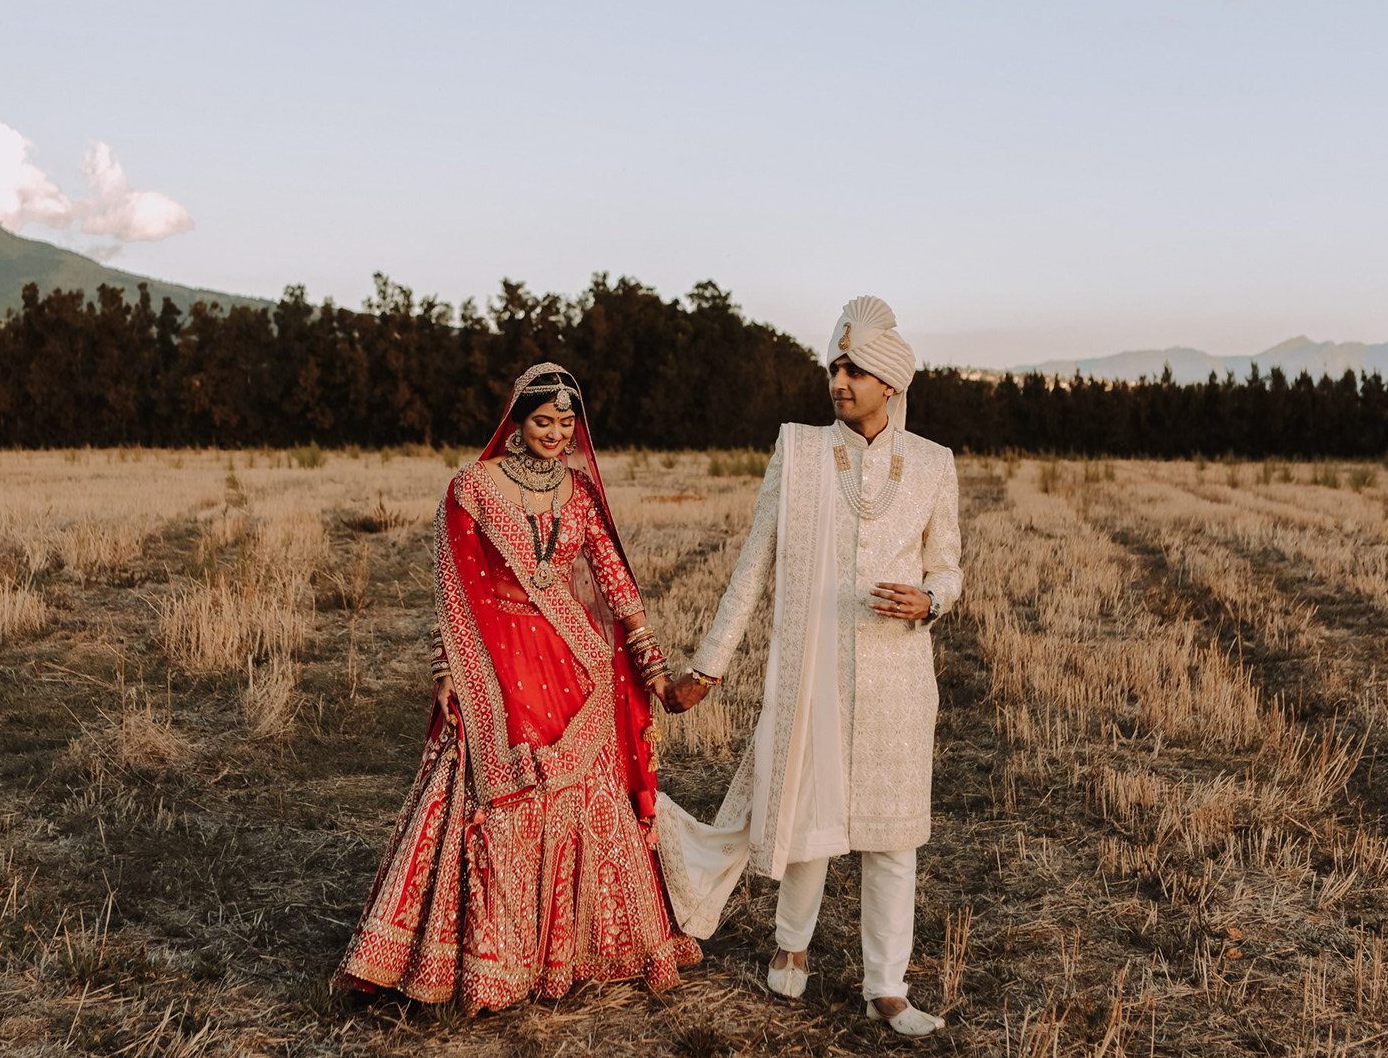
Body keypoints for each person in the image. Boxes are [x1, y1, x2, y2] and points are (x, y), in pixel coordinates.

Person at [335, 364, 701, 1012]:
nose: (556, 434)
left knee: (582, 796)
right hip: (495, 660)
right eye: (543, 421)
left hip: (571, 662)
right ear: (516, 418)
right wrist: (448, 669)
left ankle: (576, 951)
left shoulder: (579, 492)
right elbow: (452, 585)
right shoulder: (473, 488)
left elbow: (613, 578)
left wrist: (651, 662)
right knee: (493, 792)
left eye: (567, 423)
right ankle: (490, 961)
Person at [656, 296, 963, 1036]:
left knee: (893, 839)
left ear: (890, 382)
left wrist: (930, 600)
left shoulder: (932, 463)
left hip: (896, 678)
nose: (839, 381)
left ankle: (887, 987)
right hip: (814, 668)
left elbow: (949, 567)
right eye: (834, 367)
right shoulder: (797, 451)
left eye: (854, 369)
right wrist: (709, 666)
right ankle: (790, 943)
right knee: (806, 816)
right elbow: (752, 567)